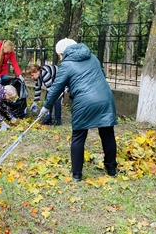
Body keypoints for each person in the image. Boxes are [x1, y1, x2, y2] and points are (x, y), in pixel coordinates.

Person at [40, 38, 118, 182]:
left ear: (62, 53)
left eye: (59, 55)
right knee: (107, 135)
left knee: (78, 137)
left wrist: (46, 106)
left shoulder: (67, 64)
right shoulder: (93, 57)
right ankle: (111, 169)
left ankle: (77, 175)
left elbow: (56, 87)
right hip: (105, 98)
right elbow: (101, 75)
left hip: (84, 101)